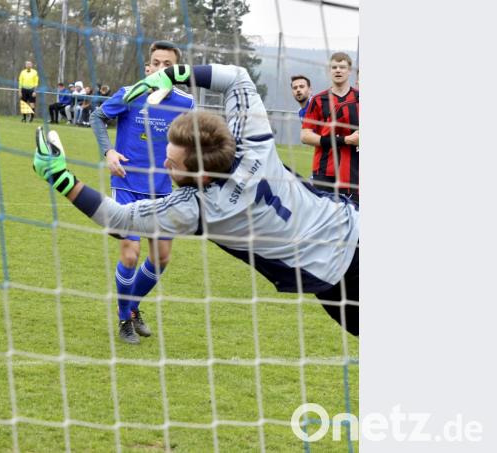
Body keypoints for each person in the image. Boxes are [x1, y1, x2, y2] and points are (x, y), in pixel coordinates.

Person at [32, 63, 360, 337]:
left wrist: (61, 178)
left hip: (335, 280)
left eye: (172, 164)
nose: (164, 164)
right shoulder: (253, 142)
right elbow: (238, 77)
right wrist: (175, 73)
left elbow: (117, 219)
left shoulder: (200, 208)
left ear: (200, 176)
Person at [88, 40, 195, 344]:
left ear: (177, 72)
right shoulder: (130, 94)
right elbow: (97, 117)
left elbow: (192, 141)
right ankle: (124, 319)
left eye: (168, 66)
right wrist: (108, 152)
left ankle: (132, 307)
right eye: (156, 63)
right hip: (127, 185)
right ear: (147, 67)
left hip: (162, 191)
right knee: (131, 254)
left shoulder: (185, 103)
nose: (161, 69)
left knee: (161, 257)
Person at [300, 52, 360, 204]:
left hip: (354, 171)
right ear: (329, 71)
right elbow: (305, 136)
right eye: (334, 67)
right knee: (324, 217)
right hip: (324, 171)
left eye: (342, 67)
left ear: (350, 71)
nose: (338, 70)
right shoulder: (319, 100)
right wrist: (344, 140)